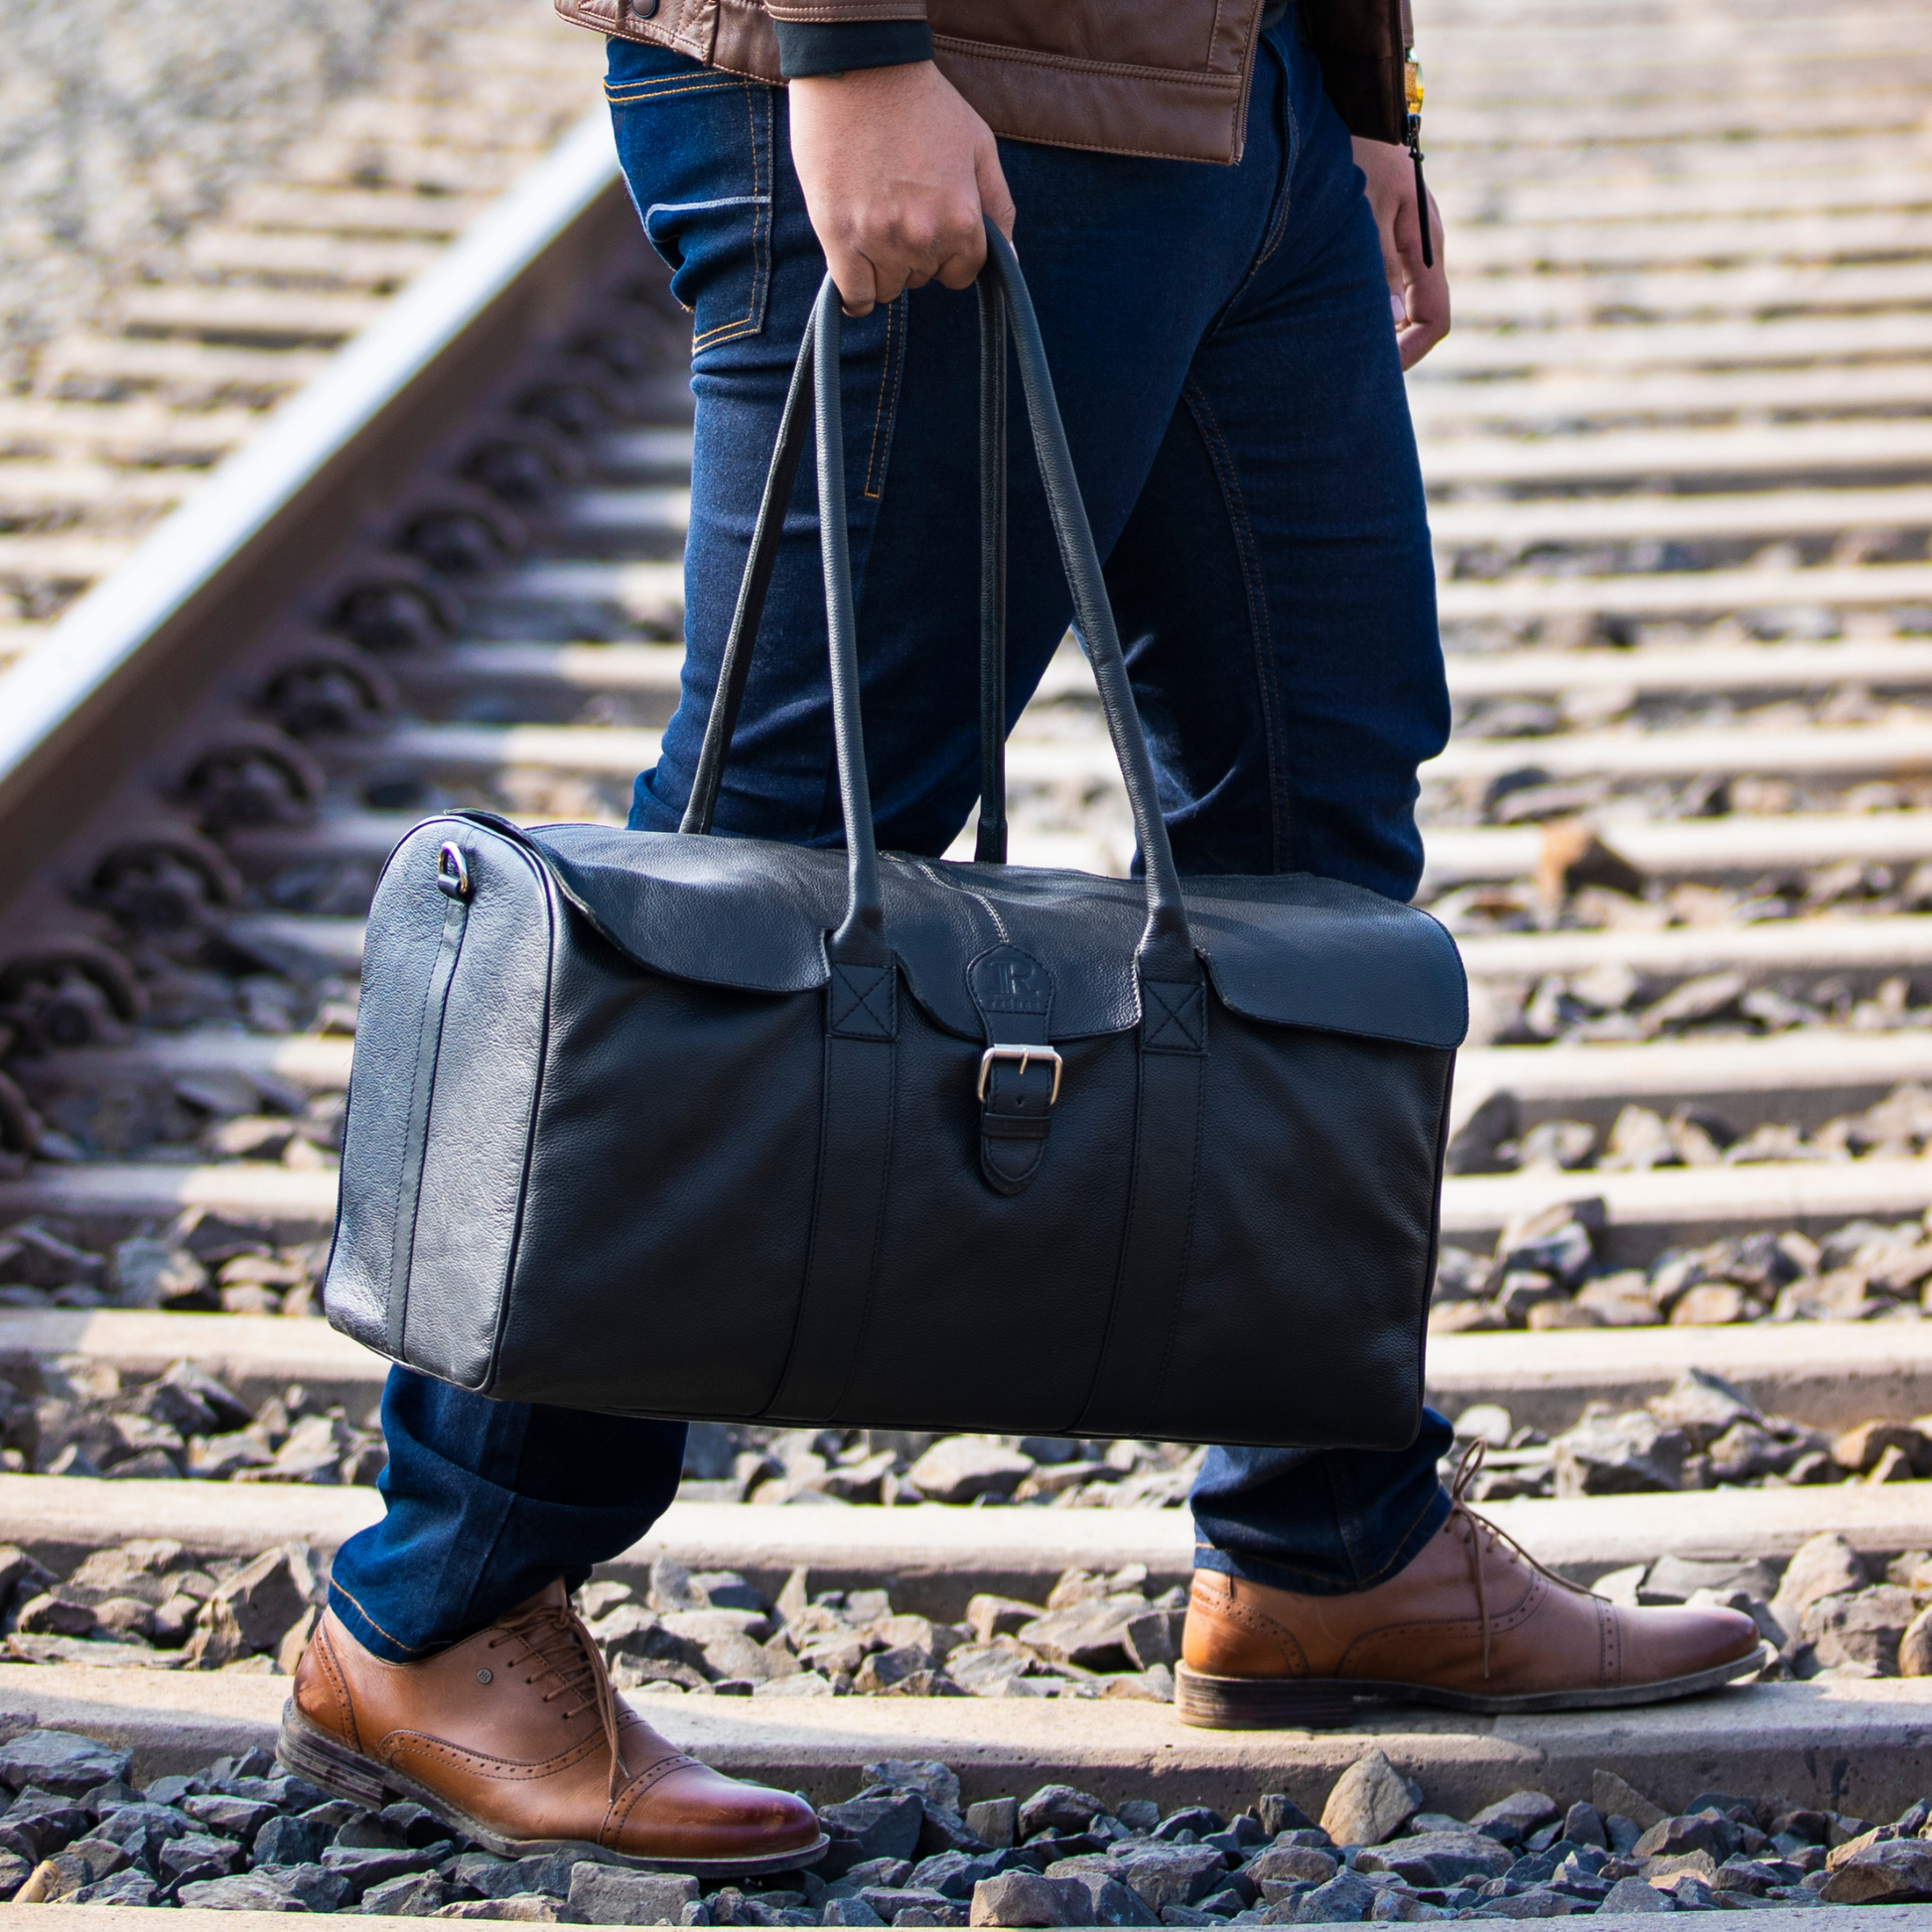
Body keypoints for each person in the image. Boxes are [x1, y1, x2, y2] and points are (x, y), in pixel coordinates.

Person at [282, 0, 1766, 1870]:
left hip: (1233, 97)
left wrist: (1349, 85)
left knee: (1315, 824)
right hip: (955, 64)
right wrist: (844, 48)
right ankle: (444, 1598)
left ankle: (1332, 1537)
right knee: (774, 851)